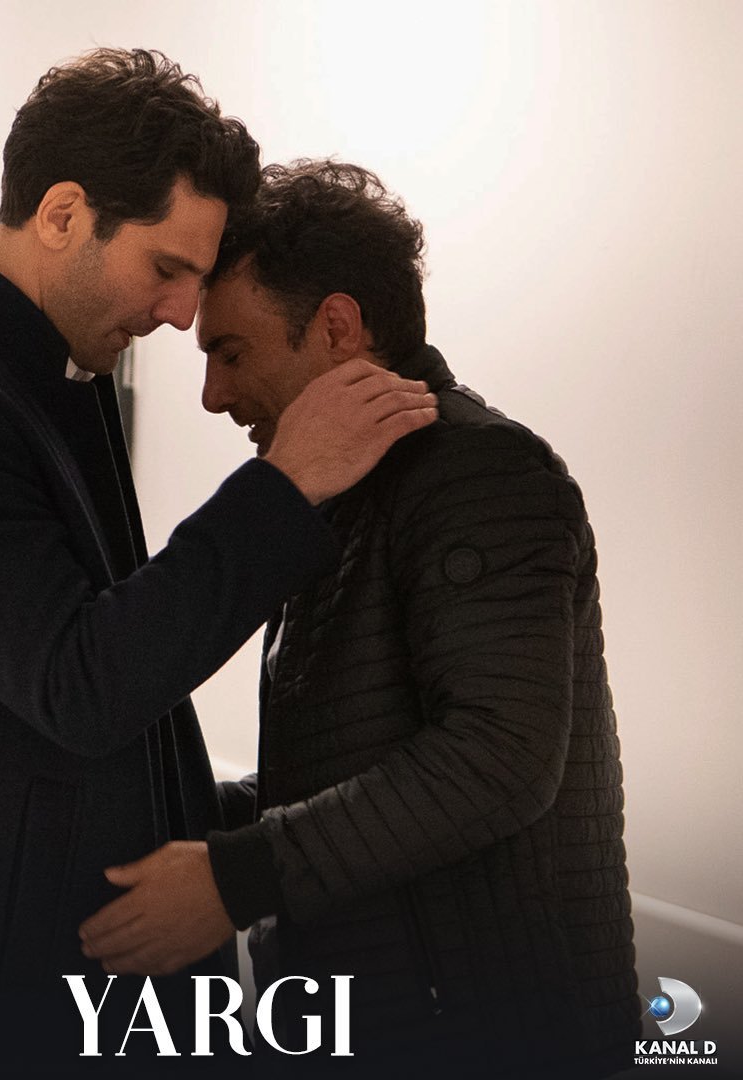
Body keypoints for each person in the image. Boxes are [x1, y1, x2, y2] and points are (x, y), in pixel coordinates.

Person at [0, 54, 437, 1073]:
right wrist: (285, 483)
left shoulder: (42, 370)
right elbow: (83, 682)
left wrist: (257, 826)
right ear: (63, 214)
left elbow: (109, 674)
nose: (183, 313)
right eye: (166, 269)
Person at [79, 160, 641, 1077]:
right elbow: (358, 762)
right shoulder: (345, 489)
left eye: (231, 353)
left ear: (338, 328)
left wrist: (235, 877)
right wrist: (181, 817)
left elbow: (499, 759)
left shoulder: (480, 474)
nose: (215, 395)